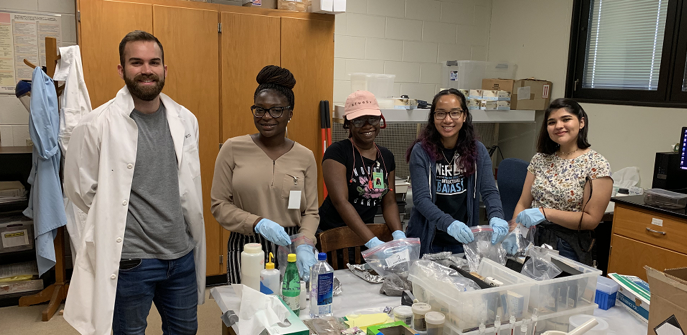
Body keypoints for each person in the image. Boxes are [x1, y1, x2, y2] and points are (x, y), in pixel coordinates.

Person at [63, 30, 206, 335]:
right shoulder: (95, 125)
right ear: (122, 69)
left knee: (185, 331)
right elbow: (79, 190)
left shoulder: (185, 120)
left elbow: (188, 187)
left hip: (181, 257)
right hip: (131, 261)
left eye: (154, 62)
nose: (146, 70)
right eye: (136, 62)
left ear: (164, 69)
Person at [211, 65, 319, 283]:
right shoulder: (232, 149)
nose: (266, 117)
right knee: (248, 311)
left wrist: (305, 244)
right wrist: (257, 222)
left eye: (276, 110)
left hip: (291, 247)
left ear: (290, 113)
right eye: (260, 109)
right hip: (247, 245)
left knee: (291, 309)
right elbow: (219, 205)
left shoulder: (305, 156)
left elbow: (311, 212)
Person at [406, 89, 508, 256]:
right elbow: (421, 199)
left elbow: (489, 192)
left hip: (463, 240)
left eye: (455, 113)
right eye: (440, 113)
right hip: (427, 240)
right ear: (433, 117)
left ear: (464, 115)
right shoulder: (421, 151)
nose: (447, 120)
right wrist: (449, 224)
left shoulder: (477, 151)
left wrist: (497, 216)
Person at [512, 98, 612, 265]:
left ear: (581, 123)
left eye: (566, 119)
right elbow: (523, 203)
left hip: (568, 246)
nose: (558, 126)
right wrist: (515, 233)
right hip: (533, 239)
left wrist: (545, 213)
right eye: (552, 122)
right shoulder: (540, 159)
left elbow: (591, 220)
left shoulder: (596, 164)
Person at [318, 90, 405, 250]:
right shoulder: (337, 152)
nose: (367, 126)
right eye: (358, 121)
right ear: (348, 123)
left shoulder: (386, 156)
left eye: (373, 119)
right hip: (333, 237)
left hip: (364, 237)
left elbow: (390, 201)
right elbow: (341, 202)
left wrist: (398, 234)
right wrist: (373, 242)